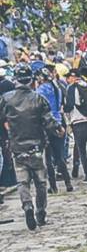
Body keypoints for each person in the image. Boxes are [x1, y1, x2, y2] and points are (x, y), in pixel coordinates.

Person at [0, 64, 64, 230]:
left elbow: (2, 119)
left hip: (16, 146)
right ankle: (41, 212)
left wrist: (7, 129)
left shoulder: (6, 99)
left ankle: (27, 205)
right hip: (36, 146)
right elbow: (48, 120)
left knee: (22, 182)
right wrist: (59, 129)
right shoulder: (38, 98)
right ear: (31, 80)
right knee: (41, 182)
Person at [35, 67, 73, 194]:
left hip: (47, 124)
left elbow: (39, 108)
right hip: (59, 120)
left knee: (48, 157)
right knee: (59, 155)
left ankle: (53, 186)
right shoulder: (57, 88)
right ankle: (68, 182)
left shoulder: (40, 90)